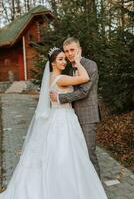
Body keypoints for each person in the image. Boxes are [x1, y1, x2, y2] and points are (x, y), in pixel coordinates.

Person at [0, 47, 107, 199]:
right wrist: (77, 61)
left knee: (62, 154)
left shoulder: (52, 77)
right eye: (61, 59)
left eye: (64, 58)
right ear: (53, 63)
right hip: (64, 119)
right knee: (66, 155)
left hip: (59, 117)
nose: (64, 62)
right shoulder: (60, 79)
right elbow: (85, 78)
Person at [50, 37, 101, 176]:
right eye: (66, 51)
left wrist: (60, 98)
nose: (69, 53)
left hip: (87, 115)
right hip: (71, 117)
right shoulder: (68, 67)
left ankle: (96, 190)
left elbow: (84, 91)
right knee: (77, 154)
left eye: (72, 50)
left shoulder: (90, 65)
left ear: (80, 50)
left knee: (89, 152)